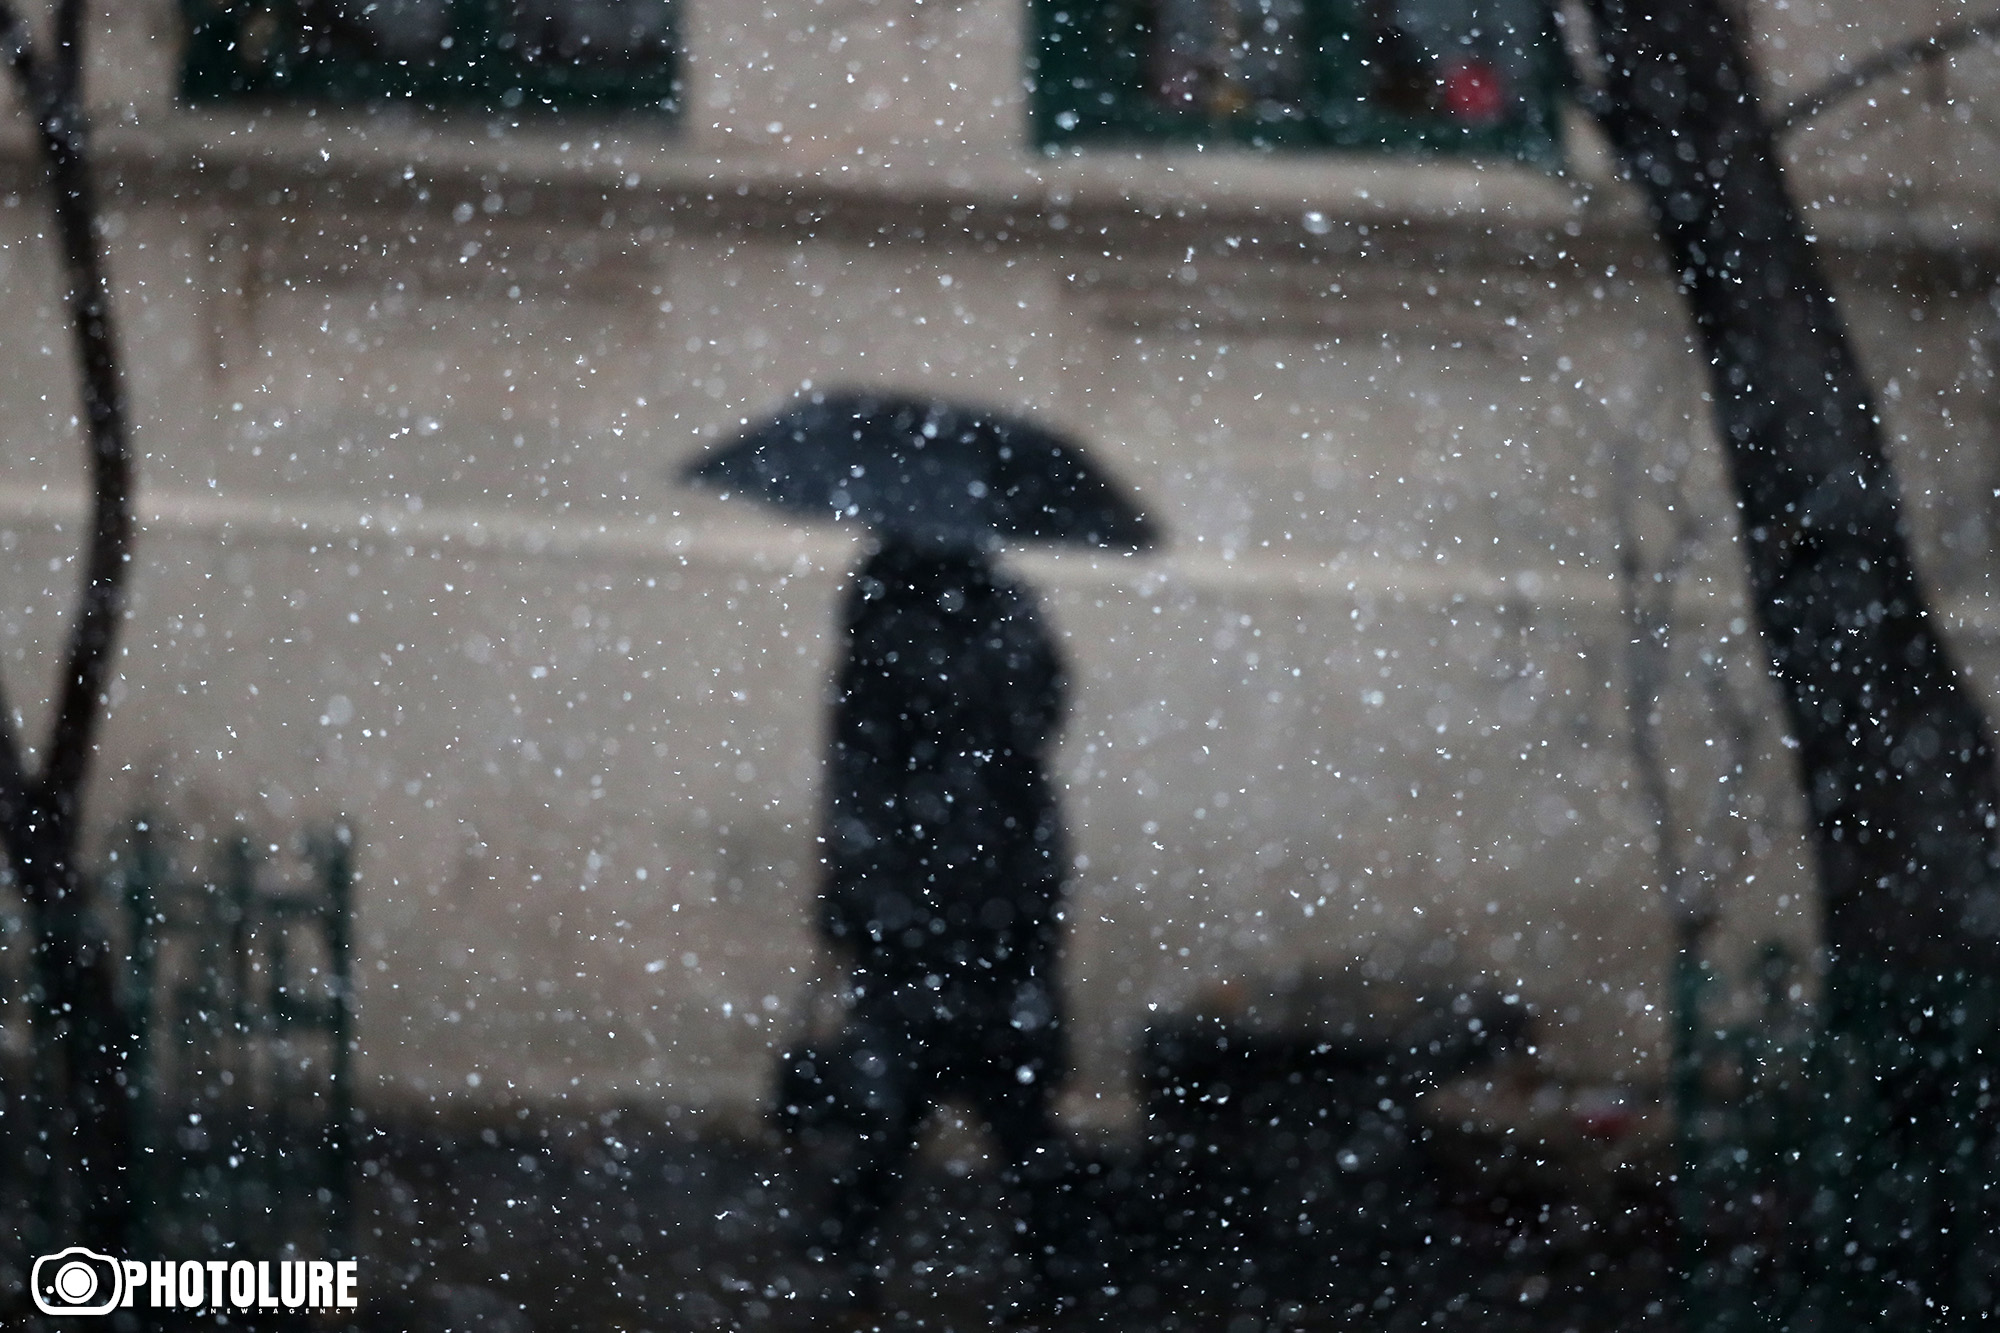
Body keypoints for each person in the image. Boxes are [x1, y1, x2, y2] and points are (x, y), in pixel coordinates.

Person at [806, 536, 1070, 1322]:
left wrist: (853, 889)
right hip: (988, 895)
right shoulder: (1006, 616)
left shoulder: (883, 622)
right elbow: (1043, 717)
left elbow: (857, 773)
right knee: (1004, 1098)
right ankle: (1052, 1260)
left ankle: (848, 1248)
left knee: (908, 1096)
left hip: (931, 898)